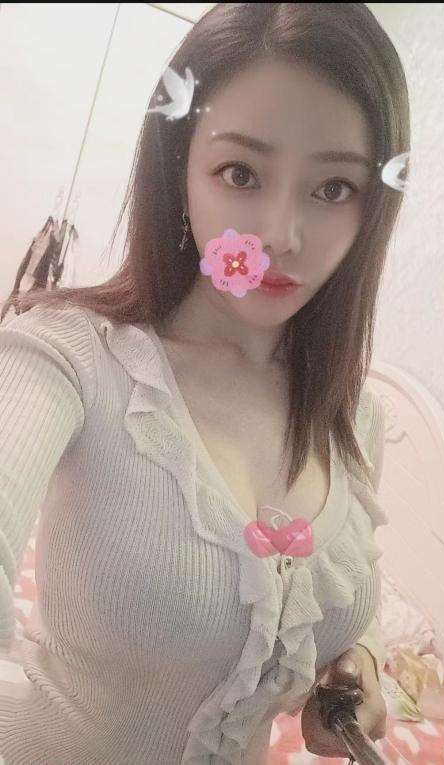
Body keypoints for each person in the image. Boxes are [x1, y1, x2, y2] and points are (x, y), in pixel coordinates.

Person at [0, 3, 410, 763]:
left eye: (333, 189)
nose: (280, 236)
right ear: (180, 169)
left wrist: (361, 663)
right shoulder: (65, 357)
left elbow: (352, 599)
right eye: (241, 173)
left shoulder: (354, 415)